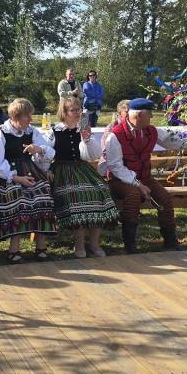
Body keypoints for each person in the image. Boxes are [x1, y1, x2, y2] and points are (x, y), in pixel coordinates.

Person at [102, 97, 187, 253]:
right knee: (133, 196)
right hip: (119, 181)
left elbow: (172, 140)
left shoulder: (150, 130)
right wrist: (138, 184)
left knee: (164, 197)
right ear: (139, 115)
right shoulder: (115, 135)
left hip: (144, 178)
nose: (152, 116)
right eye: (149, 113)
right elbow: (116, 166)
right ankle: (130, 244)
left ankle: (170, 241)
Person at [0, 98, 57, 262]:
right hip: (5, 176)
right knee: (18, 198)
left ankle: (41, 247)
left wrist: (38, 149)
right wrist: (17, 178)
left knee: (43, 196)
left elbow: (48, 153)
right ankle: (14, 249)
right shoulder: (1, 133)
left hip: (30, 171)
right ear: (15, 117)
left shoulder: (31, 131)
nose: (31, 119)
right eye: (27, 116)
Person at [50, 97, 118, 257]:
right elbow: (46, 154)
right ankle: (79, 244)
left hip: (81, 168)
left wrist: (86, 139)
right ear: (64, 112)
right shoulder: (55, 131)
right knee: (78, 196)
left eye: (79, 109)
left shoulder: (83, 129)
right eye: (73, 110)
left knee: (100, 191)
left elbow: (92, 155)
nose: (78, 113)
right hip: (62, 170)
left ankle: (94, 244)